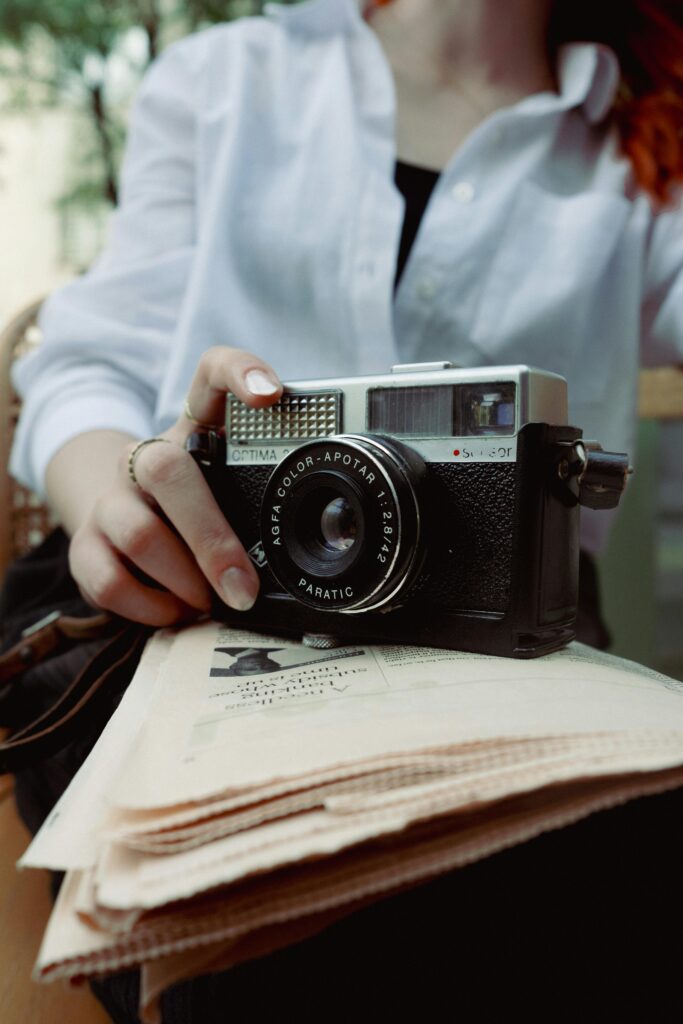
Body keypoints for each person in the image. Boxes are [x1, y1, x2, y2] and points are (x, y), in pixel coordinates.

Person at [4, 0, 683, 1019]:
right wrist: (114, 498)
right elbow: (89, 358)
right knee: (253, 908)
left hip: (494, 639)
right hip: (196, 584)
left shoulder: (641, 143)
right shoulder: (223, 77)